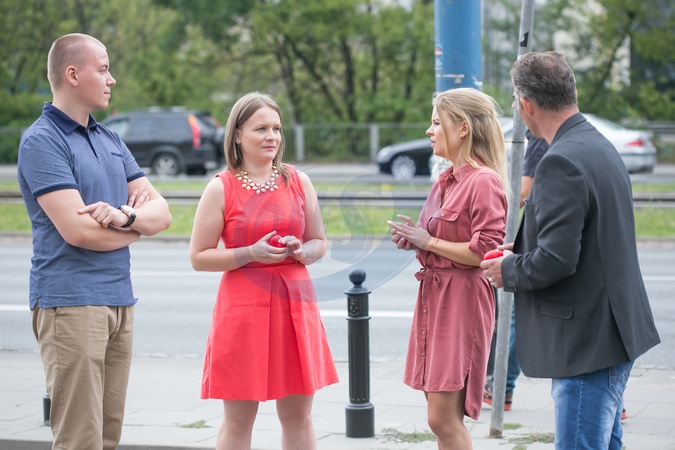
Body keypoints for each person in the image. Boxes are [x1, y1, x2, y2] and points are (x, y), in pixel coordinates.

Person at [481, 51, 660, 449]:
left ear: (526, 105)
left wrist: (507, 270)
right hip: (611, 333)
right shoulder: (596, 144)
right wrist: (522, 248)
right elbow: (590, 235)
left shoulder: (559, 160)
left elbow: (557, 260)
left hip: (586, 344)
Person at [17, 33, 172, 449]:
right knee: (80, 440)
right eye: (103, 69)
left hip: (119, 300)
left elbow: (162, 214)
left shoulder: (109, 139)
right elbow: (79, 231)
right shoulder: (42, 140)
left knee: (107, 437)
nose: (112, 79)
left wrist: (125, 216)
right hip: (71, 303)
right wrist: (136, 230)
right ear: (72, 75)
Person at [189, 92, 338, 449]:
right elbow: (199, 256)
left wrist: (302, 251)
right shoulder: (220, 187)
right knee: (238, 422)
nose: (272, 136)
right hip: (243, 309)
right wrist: (249, 254)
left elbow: (319, 241)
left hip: (294, 306)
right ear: (237, 135)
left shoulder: (298, 181)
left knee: (299, 418)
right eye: (261, 129)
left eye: (276, 128)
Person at [387, 88, 508, 448]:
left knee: (442, 418)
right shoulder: (446, 179)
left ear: (463, 128)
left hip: (462, 300)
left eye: (437, 122)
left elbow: (485, 253)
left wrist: (428, 242)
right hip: (437, 296)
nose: (429, 130)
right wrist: (415, 240)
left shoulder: (483, 180)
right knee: (442, 416)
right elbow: (437, 238)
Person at [483, 129, 550, 411]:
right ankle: (611, 395)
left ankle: (501, 387)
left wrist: (494, 203)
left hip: (540, 238)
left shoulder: (539, 137)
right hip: (545, 235)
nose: (514, 108)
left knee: (515, 316)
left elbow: (524, 192)